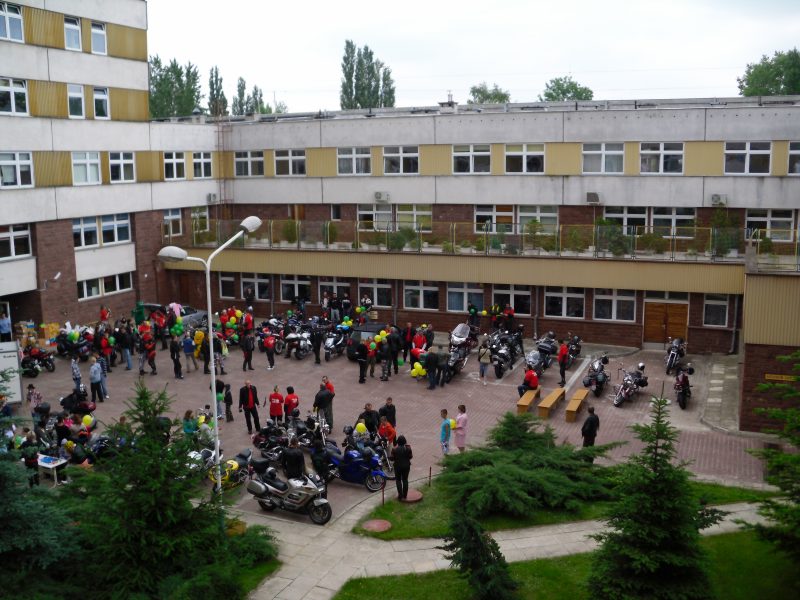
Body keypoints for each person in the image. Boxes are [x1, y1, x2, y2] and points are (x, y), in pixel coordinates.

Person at [391, 435, 412, 500]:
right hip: (406, 466)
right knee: (405, 480)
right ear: (405, 441)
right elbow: (410, 456)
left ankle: (400, 495)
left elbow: (392, 458)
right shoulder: (408, 448)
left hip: (397, 466)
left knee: (398, 480)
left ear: (398, 441)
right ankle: (405, 495)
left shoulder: (394, 449)